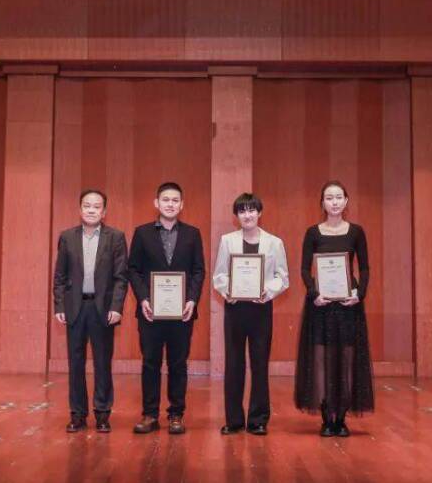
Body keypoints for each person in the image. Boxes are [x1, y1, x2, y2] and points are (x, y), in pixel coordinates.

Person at [294, 180, 374, 437]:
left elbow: (364, 268)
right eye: (329, 197)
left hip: (348, 305)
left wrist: (359, 294)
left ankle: (341, 417)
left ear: (346, 201)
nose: (334, 202)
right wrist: (314, 294)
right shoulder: (313, 233)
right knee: (321, 359)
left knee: (347, 358)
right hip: (321, 305)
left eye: (339, 197)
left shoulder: (356, 232)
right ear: (322, 203)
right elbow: (304, 269)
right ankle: (326, 417)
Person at [127, 182, 206, 434]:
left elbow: (198, 270)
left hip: (182, 312)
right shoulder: (142, 233)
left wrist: (192, 299)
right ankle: (149, 414)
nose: (170, 204)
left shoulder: (192, 234)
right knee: (150, 362)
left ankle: (176, 414)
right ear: (156, 203)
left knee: (178, 364)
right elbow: (133, 269)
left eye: (175, 200)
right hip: (150, 311)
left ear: (182, 205)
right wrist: (143, 299)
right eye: (165, 200)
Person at [212, 192, 289, 436]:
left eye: (252, 210)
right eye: (242, 211)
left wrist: (268, 291)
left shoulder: (274, 242)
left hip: (261, 308)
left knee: (260, 364)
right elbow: (219, 275)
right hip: (235, 308)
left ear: (259, 212)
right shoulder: (227, 241)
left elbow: (282, 277)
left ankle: (258, 420)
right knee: (234, 364)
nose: (247, 215)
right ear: (236, 216)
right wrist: (228, 291)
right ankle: (234, 420)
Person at [53, 189, 129, 433]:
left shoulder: (116, 237)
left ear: (104, 212)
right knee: (75, 363)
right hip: (75, 308)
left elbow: (121, 277)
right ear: (80, 209)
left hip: (103, 309)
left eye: (96, 206)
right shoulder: (67, 237)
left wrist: (116, 307)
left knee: (102, 362)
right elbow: (60, 276)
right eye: (87, 205)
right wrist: (59, 306)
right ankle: (77, 414)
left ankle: (102, 413)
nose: (91, 210)